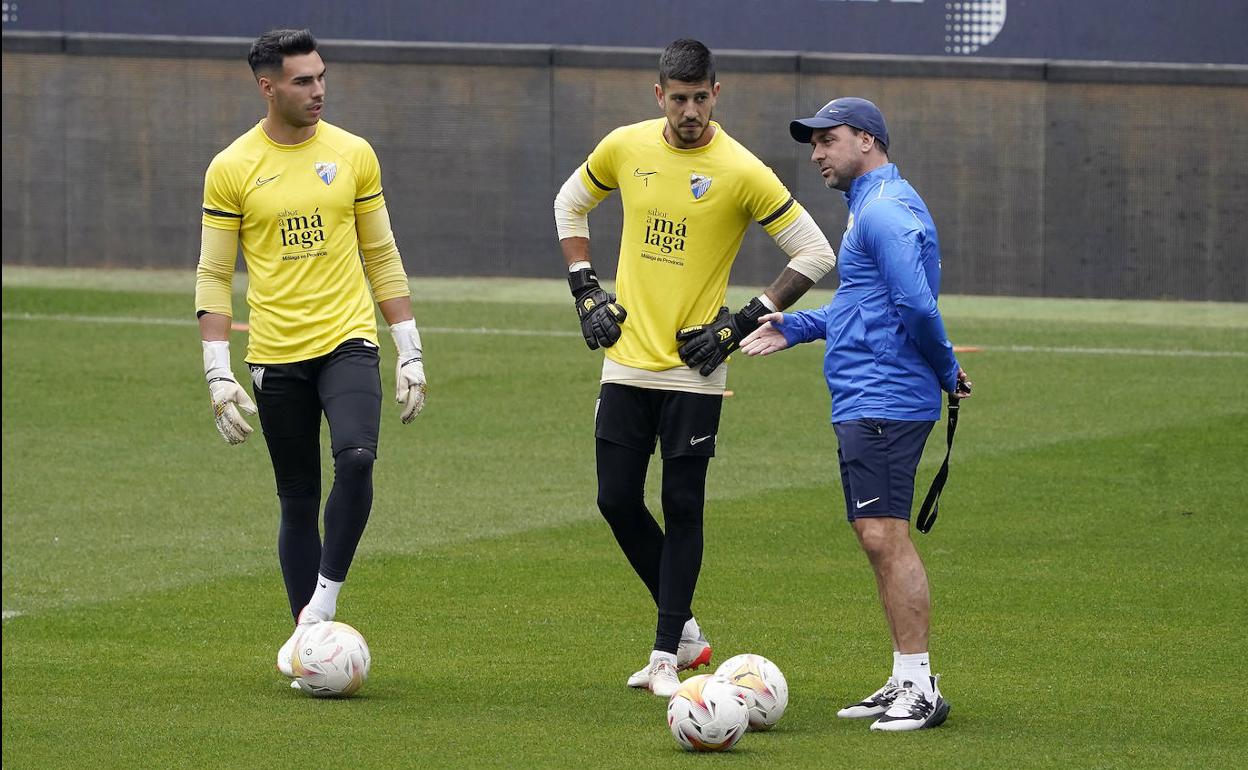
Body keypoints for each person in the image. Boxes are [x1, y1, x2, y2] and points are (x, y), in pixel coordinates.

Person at [552, 39, 836, 697]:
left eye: (699, 98)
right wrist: (585, 288)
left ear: (717, 93)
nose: (689, 111)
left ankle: (664, 655)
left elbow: (814, 252)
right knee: (615, 499)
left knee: (682, 504)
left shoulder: (740, 169)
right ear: (659, 96)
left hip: (692, 369)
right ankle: (685, 633)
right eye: (677, 99)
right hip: (625, 360)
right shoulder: (625, 146)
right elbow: (570, 203)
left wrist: (741, 323)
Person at [194, 28, 427, 686]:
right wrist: (218, 372)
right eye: (303, 80)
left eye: (321, 76)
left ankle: (317, 612)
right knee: (298, 500)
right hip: (274, 355)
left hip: (348, 340)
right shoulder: (232, 167)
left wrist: (408, 349)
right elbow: (214, 276)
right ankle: (310, 644)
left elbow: (380, 253)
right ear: (268, 87)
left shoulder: (353, 154)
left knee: (356, 457)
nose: (318, 89)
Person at [740, 97, 972, 731]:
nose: (816, 153)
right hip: (868, 396)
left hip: (886, 398)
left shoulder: (887, 211)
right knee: (876, 539)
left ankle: (922, 688)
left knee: (885, 537)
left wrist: (948, 370)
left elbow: (917, 307)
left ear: (867, 141)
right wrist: (802, 325)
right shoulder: (870, 207)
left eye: (827, 140)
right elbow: (863, 305)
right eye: (813, 143)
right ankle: (903, 679)